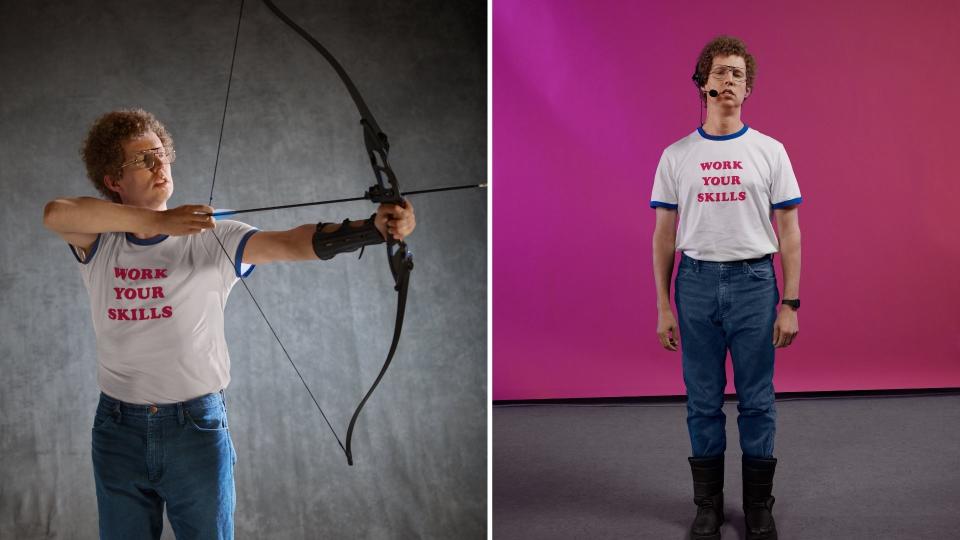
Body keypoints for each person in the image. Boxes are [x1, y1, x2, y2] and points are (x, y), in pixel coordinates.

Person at [42, 108, 416, 539]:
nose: (157, 165)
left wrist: (373, 228)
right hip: (117, 429)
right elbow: (57, 213)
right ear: (113, 181)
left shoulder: (213, 234)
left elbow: (290, 243)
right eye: (140, 160)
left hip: (195, 428)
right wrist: (160, 222)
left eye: (160, 153)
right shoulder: (99, 241)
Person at [650, 36, 801, 540]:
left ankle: (758, 504)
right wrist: (663, 305)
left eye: (738, 73)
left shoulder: (770, 151)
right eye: (720, 72)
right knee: (702, 400)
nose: (729, 80)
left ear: (749, 88)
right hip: (694, 283)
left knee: (758, 399)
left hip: (755, 281)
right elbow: (664, 235)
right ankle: (708, 505)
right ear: (703, 83)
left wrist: (790, 301)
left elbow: (790, 231)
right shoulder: (676, 155)